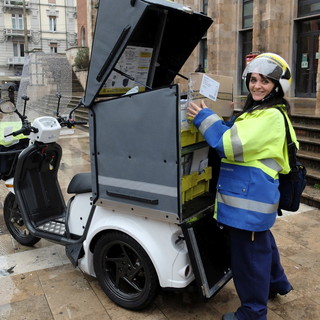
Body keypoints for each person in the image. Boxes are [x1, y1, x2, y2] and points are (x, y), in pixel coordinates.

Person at [187, 53, 296, 320]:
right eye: (254, 80)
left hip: (248, 203)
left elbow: (228, 145)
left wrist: (204, 118)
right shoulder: (263, 112)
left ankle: (253, 313)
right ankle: (276, 283)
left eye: (265, 82)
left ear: (278, 86)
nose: (257, 86)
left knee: (248, 260)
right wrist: (225, 119)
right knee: (262, 245)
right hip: (255, 198)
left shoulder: (269, 116)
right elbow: (241, 136)